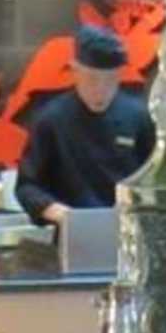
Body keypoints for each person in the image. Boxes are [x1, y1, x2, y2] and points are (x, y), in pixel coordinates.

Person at [14, 25, 155, 226]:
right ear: (75, 71)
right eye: (92, 79)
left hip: (127, 230)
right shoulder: (51, 120)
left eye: (110, 80)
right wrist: (57, 212)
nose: (100, 89)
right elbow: (27, 186)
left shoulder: (139, 118)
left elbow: (154, 181)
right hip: (71, 230)